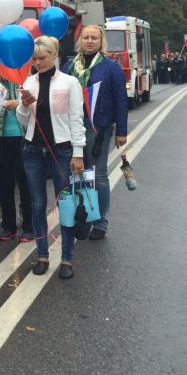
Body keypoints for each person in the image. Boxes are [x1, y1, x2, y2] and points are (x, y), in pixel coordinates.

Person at [18, 36, 86, 280]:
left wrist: (78, 153)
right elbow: (22, 120)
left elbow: (77, 120)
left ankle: (67, 257)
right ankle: (42, 255)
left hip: (62, 150)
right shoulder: (28, 82)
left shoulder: (69, 83)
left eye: (42, 58)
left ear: (54, 54)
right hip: (32, 150)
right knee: (37, 205)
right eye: (34, 59)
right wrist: (24, 106)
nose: (38, 63)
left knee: (65, 204)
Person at [64, 25, 128, 240]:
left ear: (101, 42)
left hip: (98, 128)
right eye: (86, 37)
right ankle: (83, 218)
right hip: (72, 127)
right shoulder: (69, 67)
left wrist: (121, 130)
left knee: (98, 176)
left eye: (94, 38)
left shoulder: (111, 68)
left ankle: (101, 222)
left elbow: (121, 100)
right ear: (79, 41)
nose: (90, 41)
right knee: (77, 175)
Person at [0, 78, 34, 243]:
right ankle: (9, 227)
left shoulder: (27, 82)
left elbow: (38, 105)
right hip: (1, 139)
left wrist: (19, 103)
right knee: (5, 184)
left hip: (23, 138)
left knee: (25, 184)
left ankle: (29, 227)